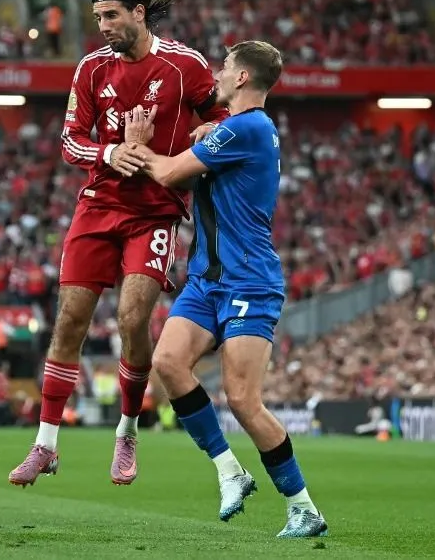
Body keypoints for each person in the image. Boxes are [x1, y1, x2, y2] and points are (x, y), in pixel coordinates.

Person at [8, 0, 228, 487]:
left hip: (154, 212)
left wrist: (197, 143)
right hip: (98, 207)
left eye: (111, 15)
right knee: (69, 323)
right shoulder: (90, 69)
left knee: (132, 321)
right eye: (97, 16)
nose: (103, 26)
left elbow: (220, 122)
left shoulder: (184, 66)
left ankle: (127, 430)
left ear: (138, 11)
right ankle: (45, 445)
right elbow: (69, 142)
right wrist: (112, 152)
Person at [121, 41, 328, 538]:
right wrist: (202, 135)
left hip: (249, 280)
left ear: (241, 79)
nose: (217, 71)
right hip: (207, 280)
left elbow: (170, 172)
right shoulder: (237, 130)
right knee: (168, 362)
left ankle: (302, 507)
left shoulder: (249, 126)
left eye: (226, 66)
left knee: (242, 400)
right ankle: (230, 470)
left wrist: (136, 147)